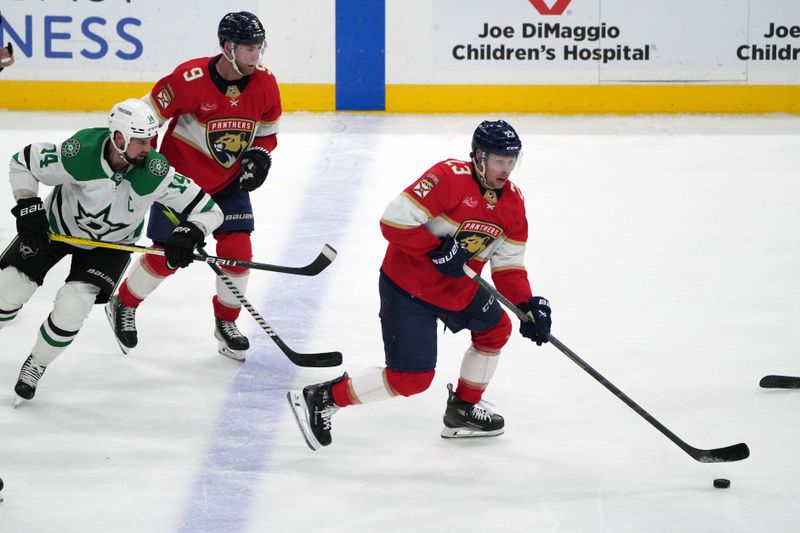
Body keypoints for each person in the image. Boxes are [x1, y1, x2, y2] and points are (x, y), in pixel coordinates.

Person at [288, 120, 553, 450]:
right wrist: (436, 248)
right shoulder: (447, 177)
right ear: (478, 156)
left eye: (512, 161)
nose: (506, 169)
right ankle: (325, 397)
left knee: (496, 328)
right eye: (499, 160)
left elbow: (509, 267)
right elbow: (393, 221)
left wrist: (526, 305)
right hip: (408, 287)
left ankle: (463, 409)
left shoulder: (513, 202)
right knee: (411, 380)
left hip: (458, 288)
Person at [0, 98, 223, 403]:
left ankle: (37, 363)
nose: (149, 148)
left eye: (151, 139)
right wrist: (27, 203)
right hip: (55, 229)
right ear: (118, 138)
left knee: (73, 305)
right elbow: (23, 162)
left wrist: (191, 230)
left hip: (112, 245)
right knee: (7, 291)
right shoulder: (80, 153)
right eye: (141, 141)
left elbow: (210, 211)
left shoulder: (154, 173)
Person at [107, 11, 282, 362]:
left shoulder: (265, 83)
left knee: (238, 251)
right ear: (227, 46)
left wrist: (260, 157)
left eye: (259, 47)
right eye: (249, 48)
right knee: (168, 255)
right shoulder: (189, 79)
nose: (256, 55)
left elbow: (267, 132)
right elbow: (144, 117)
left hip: (228, 184)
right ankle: (123, 303)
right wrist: (144, 165)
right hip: (179, 186)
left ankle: (226, 323)